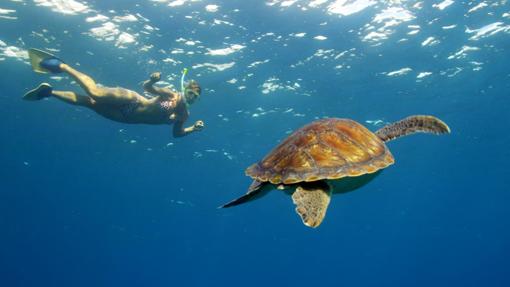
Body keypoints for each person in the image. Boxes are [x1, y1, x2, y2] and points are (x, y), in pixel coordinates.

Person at [23, 48, 204, 138]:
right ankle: (61, 65)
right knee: (95, 93)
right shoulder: (172, 95)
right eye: (190, 93)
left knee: (89, 103)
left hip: (126, 117)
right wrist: (152, 80)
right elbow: (148, 89)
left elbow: (177, 134)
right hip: (134, 100)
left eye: (195, 97)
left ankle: (49, 91)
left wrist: (192, 129)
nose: (191, 98)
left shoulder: (183, 115)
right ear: (185, 89)